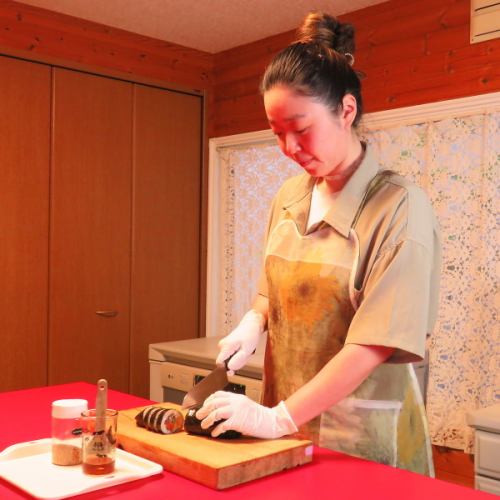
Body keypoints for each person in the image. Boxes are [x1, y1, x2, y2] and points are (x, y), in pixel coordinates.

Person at [196, 11, 441, 476]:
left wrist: (278, 417)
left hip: (360, 438)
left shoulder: (399, 207)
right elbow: (273, 289)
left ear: (346, 111)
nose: (288, 147)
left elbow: (374, 343)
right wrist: (254, 320)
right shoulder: (290, 197)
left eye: (301, 128)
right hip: (281, 424)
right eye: (276, 131)